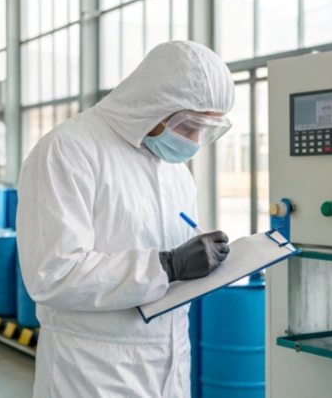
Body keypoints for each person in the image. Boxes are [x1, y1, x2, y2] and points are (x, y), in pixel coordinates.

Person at [16, 41, 235, 398]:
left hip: (169, 362)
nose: (194, 141)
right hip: (93, 370)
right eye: (188, 125)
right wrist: (166, 266)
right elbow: (51, 274)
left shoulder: (175, 172)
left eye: (207, 131)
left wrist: (208, 264)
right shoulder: (69, 150)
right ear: (154, 102)